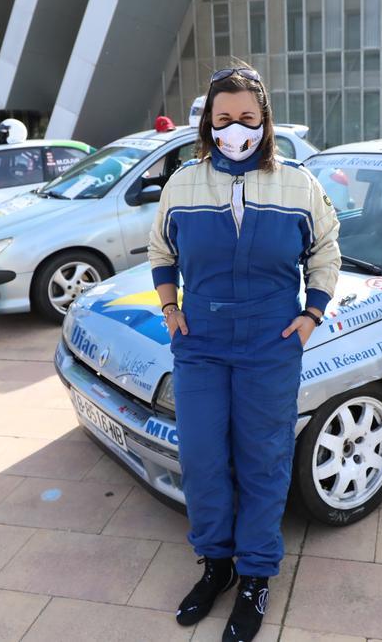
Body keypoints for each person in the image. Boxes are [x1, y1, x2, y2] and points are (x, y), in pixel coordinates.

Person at [148, 65, 340, 642]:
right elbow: (162, 249)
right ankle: (217, 565)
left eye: (247, 118)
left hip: (270, 342)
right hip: (201, 343)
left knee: (263, 459)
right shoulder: (183, 182)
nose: (236, 129)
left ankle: (255, 575)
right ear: (209, 121)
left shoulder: (298, 183)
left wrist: (311, 315)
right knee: (204, 458)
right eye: (224, 117)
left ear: (265, 121)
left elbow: (326, 249)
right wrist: (170, 308)